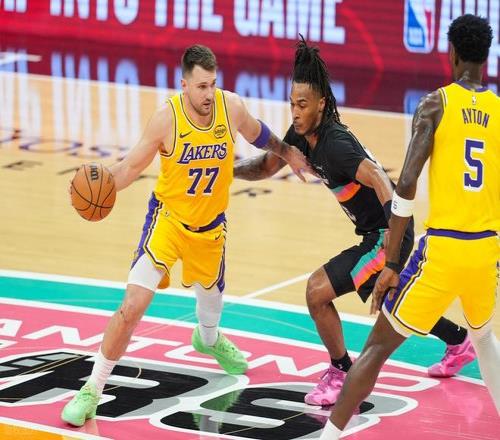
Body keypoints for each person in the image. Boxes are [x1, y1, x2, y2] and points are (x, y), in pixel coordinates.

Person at [61, 44, 311, 427]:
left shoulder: (231, 107)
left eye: (212, 84)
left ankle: (207, 339)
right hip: (168, 222)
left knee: (210, 311)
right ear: (184, 85)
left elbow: (261, 135)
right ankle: (92, 389)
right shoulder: (167, 119)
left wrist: (289, 152)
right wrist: (97, 182)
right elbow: (129, 168)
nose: (208, 94)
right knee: (132, 307)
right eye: (201, 86)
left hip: (210, 230)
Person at [234, 36, 476, 407]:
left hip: (386, 232)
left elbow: (379, 178)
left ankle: (340, 371)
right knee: (392, 300)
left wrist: (392, 243)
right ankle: (458, 341)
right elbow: (267, 166)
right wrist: (228, 170)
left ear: (321, 103)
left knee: (317, 292)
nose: (295, 112)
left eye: (302, 105)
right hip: (375, 231)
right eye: (292, 104)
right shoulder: (301, 134)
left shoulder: (335, 145)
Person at [319, 14, 499, 438]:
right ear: (486, 56)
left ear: (451, 53)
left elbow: (405, 185)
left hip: (444, 250)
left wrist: (392, 261)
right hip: (486, 250)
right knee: (485, 339)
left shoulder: (436, 104)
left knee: (376, 349)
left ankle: (329, 436)